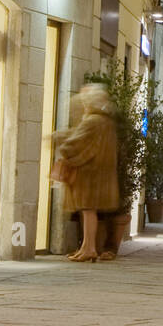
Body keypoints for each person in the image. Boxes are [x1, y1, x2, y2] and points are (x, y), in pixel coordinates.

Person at [52, 83, 119, 263]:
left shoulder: (93, 121)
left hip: (90, 173)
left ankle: (89, 248)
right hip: (100, 173)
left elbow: (78, 142)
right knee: (89, 211)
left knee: (88, 210)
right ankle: (86, 247)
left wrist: (62, 145)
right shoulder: (105, 121)